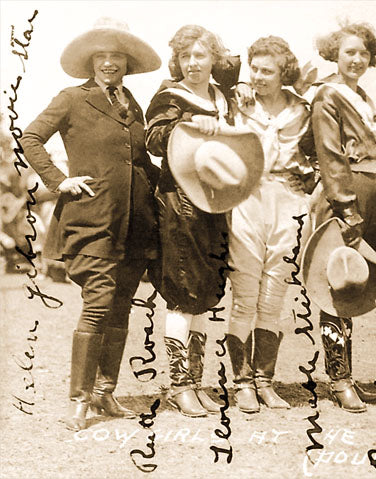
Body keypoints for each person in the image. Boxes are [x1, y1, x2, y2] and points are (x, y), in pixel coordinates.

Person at [19, 17, 161, 430]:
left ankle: (104, 392)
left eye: (117, 55)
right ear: (91, 61)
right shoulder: (71, 98)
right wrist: (58, 180)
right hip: (91, 221)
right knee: (98, 305)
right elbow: (30, 138)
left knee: (121, 307)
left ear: (128, 62)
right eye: (101, 55)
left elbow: (137, 161)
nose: (109, 62)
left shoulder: (132, 103)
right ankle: (79, 400)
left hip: (135, 224)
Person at [145, 24, 235, 418]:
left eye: (200, 55)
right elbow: (152, 139)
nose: (193, 63)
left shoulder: (222, 96)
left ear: (214, 59)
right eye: (186, 56)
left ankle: (196, 384)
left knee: (204, 292)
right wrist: (187, 125)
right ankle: (179, 386)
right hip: (180, 203)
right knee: (183, 291)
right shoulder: (170, 95)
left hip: (216, 202)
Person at [225, 36, 315, 413]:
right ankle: (242, 382)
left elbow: (320, 153)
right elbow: (222, 69)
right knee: (245, 293)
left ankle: (265, 381)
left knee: (274, 294)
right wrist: (239, 83)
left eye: (267, 71)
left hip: (289, 199)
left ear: (284, 73)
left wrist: (310, 185)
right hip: (247, 198)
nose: (259, 76)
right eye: (255, 70)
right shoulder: (238, 103)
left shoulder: (302, 109)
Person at [304, 22, 376, 413]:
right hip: (343, 196)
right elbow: (330, 155)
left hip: (369, 191)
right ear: (334, 55)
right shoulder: (327, 95)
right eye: (349, 52)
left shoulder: (363, 97)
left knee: (354, 283)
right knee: (335, 285)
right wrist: (346, 207)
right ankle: (338, 379)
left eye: (363, 53)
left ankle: (348, 376)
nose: (357, 59)